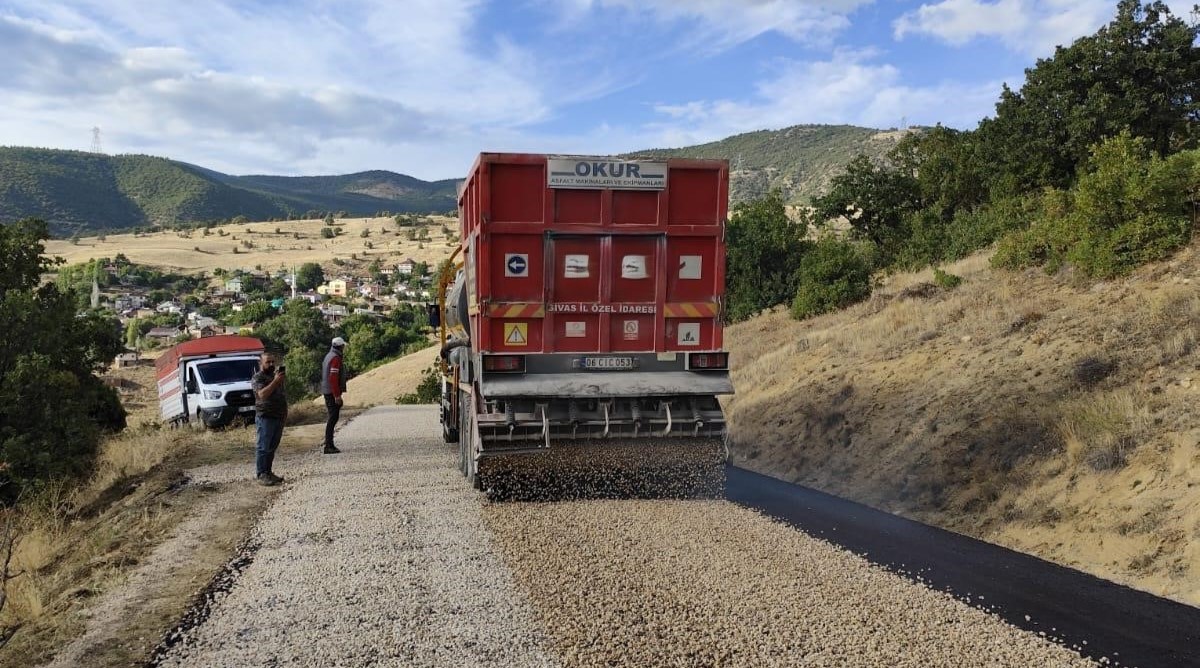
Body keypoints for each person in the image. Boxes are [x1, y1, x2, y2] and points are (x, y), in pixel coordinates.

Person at [250, 351, 287, 486]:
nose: (271, 364)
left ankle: (268, 472)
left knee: (272, 446)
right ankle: (261, 474)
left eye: (273, 361)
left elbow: (282, 395)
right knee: (263, 447)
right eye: (268, 362)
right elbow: (262, 394)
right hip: (265, 416)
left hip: (278, 416)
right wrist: (276, 382)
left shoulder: (276, 376)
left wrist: (285, 414)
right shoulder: (257, 378)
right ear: (261, 364)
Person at [320, 336, 348, 454]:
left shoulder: (328, 356)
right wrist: (337, 395)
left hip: (327, 390)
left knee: (333, 417)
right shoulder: (336, 358)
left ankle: (329, 443)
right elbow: (333, 377)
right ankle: (329, 445)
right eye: (343, 346)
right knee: (333, 417)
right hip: (331, 392)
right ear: (340, 347)